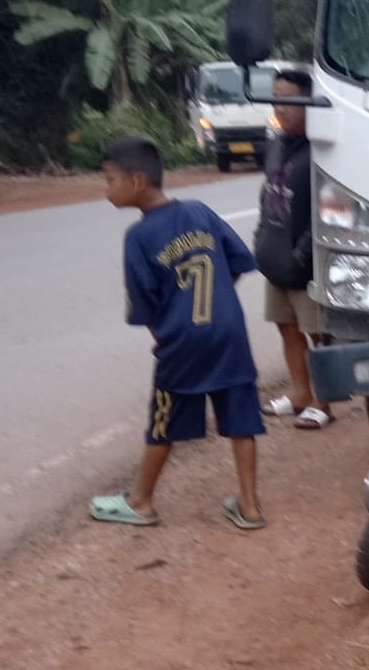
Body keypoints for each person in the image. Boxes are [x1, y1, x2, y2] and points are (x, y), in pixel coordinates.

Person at [89, 137, 266, 530]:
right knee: (241, 418)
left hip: (183, 340)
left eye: (110, 179)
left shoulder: (138, 237)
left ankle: (141, 502)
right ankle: (250, 506)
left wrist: (168, 336)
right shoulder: (200, 211)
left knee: (162, 420)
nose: (106, 189)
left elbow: (146, 306)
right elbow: (236, 262)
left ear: (136, 182)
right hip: (229, 333)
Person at [255, 68, 333, 429]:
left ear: (307, 104)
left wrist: (303, 254)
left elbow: (329, 208)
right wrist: (261, 240)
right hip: (276, 258)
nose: (280, 107)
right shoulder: (275, 145)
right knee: (286, 327)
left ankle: (323, 402)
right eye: (276, 99)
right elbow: (267, 197)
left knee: (319, 335)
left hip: (306, 264)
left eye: (288, 100)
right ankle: (300, 393)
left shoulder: (323, 149)